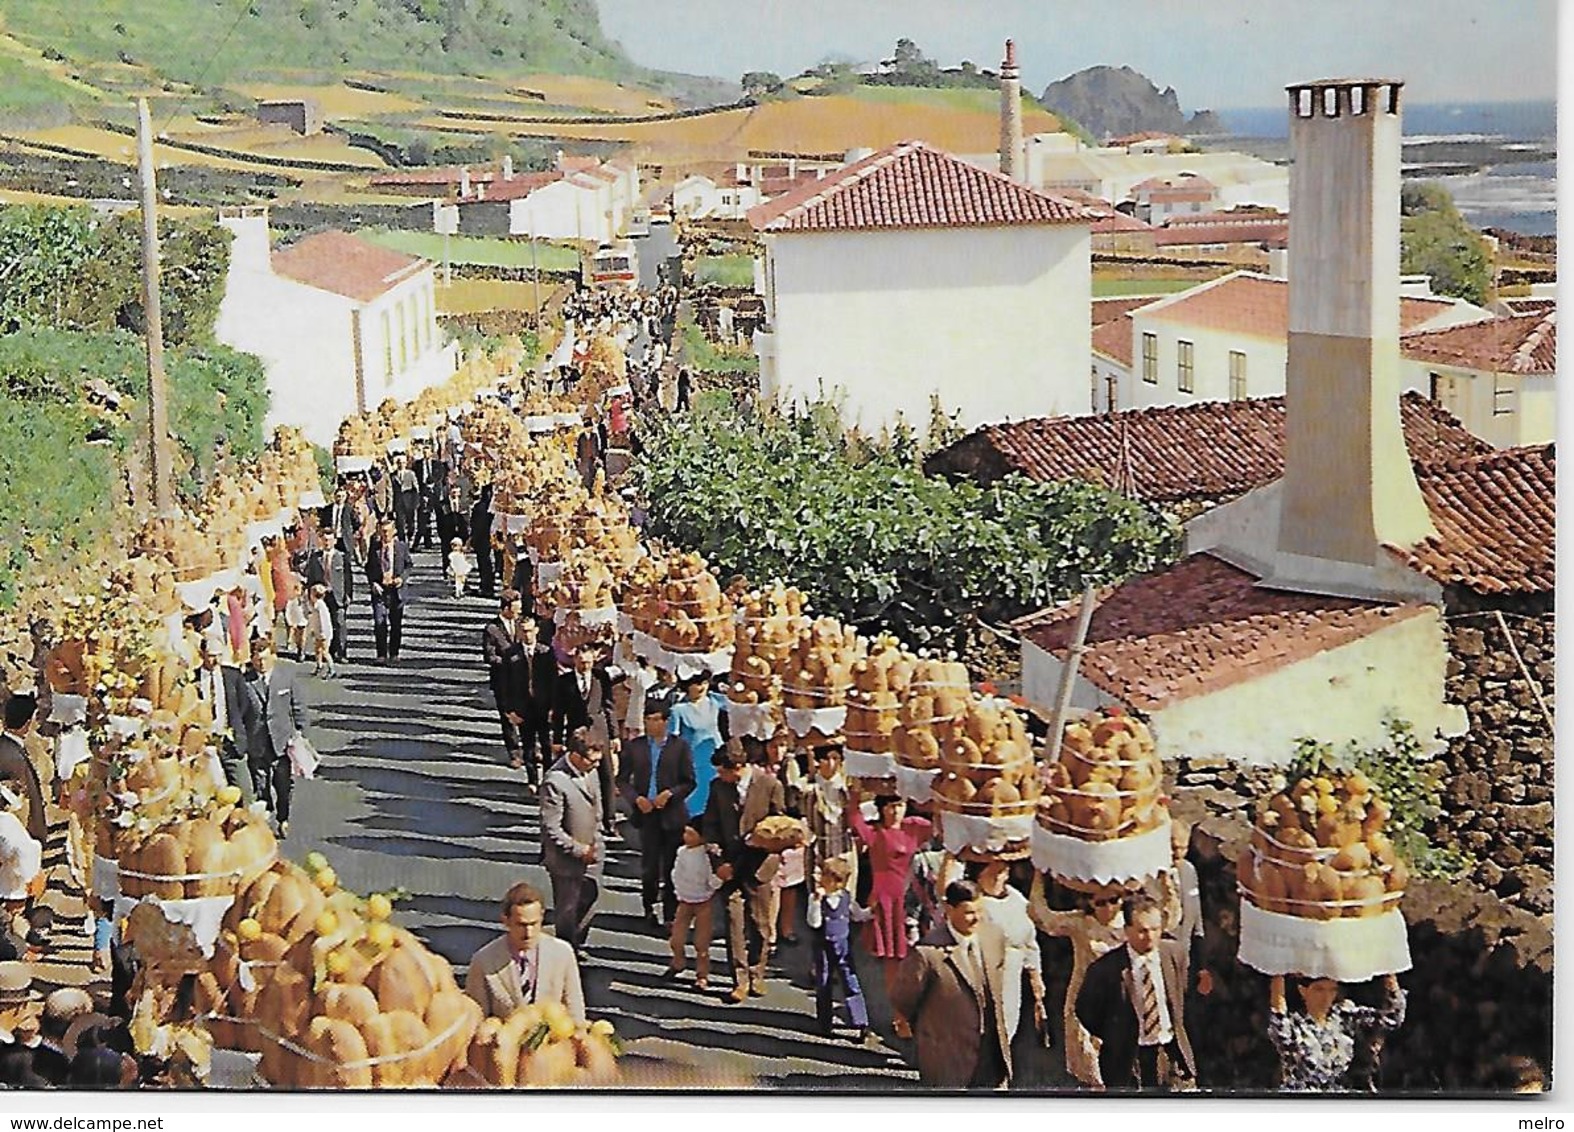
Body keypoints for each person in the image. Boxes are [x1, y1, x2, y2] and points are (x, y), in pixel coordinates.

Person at [891, 880, 1013, 1089]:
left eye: (980, 911)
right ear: (949, 909)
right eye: (969, 912)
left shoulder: (994, 937)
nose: (977, 919)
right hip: (948, 1055)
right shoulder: (927, 953)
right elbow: (904, 998)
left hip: (991, 1052)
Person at [1076, 892, 1197, 1091]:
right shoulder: (1106, 969)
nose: (1150, 936)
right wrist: (1115, 1034)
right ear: (1127, 930)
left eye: (1155, 929)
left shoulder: (1175, 955)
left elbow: (1186, 996)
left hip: (1170, 1052)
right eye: (1142, 930)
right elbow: (1086, 1010)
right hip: (1129, 1059)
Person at [1028, 875, 1136, 1088]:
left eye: (1113, 900)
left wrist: (1166, 876)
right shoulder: (1080, 923)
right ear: (1090, 902)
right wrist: (1039, 876)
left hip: (1123, 1000)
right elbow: (1043, 918)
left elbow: (1167, 918)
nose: (1108, 908)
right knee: (1089, 1066)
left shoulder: (1131, 925)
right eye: (1100, 902)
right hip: (1085, 998)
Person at [845, 786, 932, 1038]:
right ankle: (900, 1017)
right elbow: (854, 817)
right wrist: (855, 793)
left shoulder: (913, 827)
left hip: (912, 898)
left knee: (916, 959)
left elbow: (939, 821)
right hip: (885, 900)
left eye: (900, 805)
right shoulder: (875, 833)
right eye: (890, 806)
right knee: (893, 962)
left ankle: (917, 1011)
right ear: (882, 809)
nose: (896, 810)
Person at [701, 748, 772, 1004]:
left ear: (738, 768)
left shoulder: (769, 784)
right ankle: (739, 979)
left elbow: (784, 818)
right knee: (734, 922)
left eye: (722, 771)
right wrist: (717, 861)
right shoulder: (718, 788)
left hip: (759, 866)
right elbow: (710, 826)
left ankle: (757, 971)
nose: (719, 776)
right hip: (729, 866)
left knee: (760, 924)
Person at [616, 702, 694, 928]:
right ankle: (648, 906)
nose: (651, 724)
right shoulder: (635, 747)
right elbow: (622, 779)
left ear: (666, 722)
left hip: (672, 815)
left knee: (671, 866)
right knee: (650, 865)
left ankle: (671, 914)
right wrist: (636, 799)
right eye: (648, 719)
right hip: (646, 814)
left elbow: (689, 782)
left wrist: (669, 794)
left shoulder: (680, 748)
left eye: (656, 720)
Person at [465, 882, 585, 1023]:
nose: (528, 932)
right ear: (506, 921)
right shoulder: (484, 961)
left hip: (552, 1042)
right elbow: (477, 1019)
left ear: (542, 917)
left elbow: (575, 1010)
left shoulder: (562, 954)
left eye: (534, 924)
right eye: (521, 925)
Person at [1267, 972, 1406, 1093]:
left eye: (1332, 990)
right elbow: (1279, 1022)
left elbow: (1392, 1018)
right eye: (1319, 990)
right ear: (1303, 990)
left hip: (1338, 1098)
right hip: (1300, 1100)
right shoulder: (1295, 1024)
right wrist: (1278, 974)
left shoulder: (1344, 1016)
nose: (1326, 997)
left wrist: (1389, 974)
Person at [972, 860, 1047, 1058]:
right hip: (984, 974)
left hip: (1012, 975)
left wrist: (1035, 975)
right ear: (979, 875)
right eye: (992, 873)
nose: (998, 878)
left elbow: (1029, 939)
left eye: (1003, 872)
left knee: (1007, 1026)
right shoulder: (974, 903)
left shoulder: (1016, 898)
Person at [538, 731, 604, 954]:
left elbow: (596, 804)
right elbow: (551, 828)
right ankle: (565, 950)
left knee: (590, 897)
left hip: (593, 850)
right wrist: (578, 849)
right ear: (575, 755)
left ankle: (578, 941)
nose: (596, 766)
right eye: (591, 760)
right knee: (567, 907)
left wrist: (597, 840)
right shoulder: (555, 781)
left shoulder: (591, 771)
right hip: (566, 859)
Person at [242, 637, 308, 838]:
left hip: (282, 741)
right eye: (257, 659)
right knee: (260, 785)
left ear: (274, 657)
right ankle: (265, 818)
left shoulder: (286, 678)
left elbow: (298, 707)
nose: (261, 664)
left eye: (265, 659)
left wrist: (299, 734)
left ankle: (282, 818)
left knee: (283, 784)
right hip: (257, 742)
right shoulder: (245, 682)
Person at [549, 650, 618, 836]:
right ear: (575, 660)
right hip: (576, 734)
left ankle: (610, 821)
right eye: (581, 662)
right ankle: (571, 819)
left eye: (588, 662)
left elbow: (609, 707)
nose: (585, 665)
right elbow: (558, 713)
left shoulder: (601, 677)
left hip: (599, 731)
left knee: (607, 776)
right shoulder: (564, 681)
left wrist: (614, 735)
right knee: (572, 776)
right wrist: (556, 739)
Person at [807, 857, 871, 1042]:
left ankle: (860, 1021)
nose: (820, 879)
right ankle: (824, 1022)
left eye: (825, 876)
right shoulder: (818, 898)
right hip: (823, 946)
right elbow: (814, 922)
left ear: (838, 882)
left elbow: (858, 915)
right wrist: (817, 903)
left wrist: (870, 913)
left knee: (850, 980)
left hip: (843, 945)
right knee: (824, 981)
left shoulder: (847, 898)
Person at [195, 637, 259, 806]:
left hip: (230, 742)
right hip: (204, 744)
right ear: (201, 654)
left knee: (245, 792)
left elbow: (244, 705)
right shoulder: (193, 678)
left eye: (218, 655)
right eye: (210, 656)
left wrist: (239, 733)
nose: (215, 660)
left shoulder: (233, 676)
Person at [663, 821, 719, 987]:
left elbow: (712, 881)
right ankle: (678, 962)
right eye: (685, 833)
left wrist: (719, 881)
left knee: (701, 943)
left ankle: (702, 974)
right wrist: (678, 892)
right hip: (684, 901)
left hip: (703, 902)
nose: (685, 837)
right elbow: (676, 874)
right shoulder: (682, 852)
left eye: (691, 834)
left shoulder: (708, 857)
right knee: (676, 939)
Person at [483, 593, 529, 772]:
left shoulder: (522, 624)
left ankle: (529, 749)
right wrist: (510, 662)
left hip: (523, 678)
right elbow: (490, 656)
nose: (518, 613)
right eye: (515, 609)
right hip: (502, 679)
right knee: (507, 716)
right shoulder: (492, 629)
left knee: (526, 713)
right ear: (505, 608)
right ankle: (514, 752)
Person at [668, 675, 724, 819]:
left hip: (715, 758)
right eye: (696, 684)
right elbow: (672, 739)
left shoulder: (714, 701)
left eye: (704, 683)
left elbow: (737, 703)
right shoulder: (678, 709)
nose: (701, 687)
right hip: (694, 761)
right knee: (695, 799)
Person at [0, 694, 46, 845]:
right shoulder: (13, 759)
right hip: (22, 838)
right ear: (27, 724)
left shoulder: (7, 747)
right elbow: (16, 807)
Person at [365, 518, 413, 662]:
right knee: (379, 622)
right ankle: (381, 654)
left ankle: (394, 653)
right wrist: (373, 583)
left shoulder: (401, 547)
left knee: (395, 623)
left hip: (396, 590)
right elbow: (369, 567)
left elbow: (408, 565)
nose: (385, 534)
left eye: (388, 531)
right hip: (380, 590)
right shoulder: (375, 547)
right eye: (383, 531)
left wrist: (402, 578)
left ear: (394, 532)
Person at [307, 584, 334, 679]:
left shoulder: (320, 606)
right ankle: (319, 666)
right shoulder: (315, 605)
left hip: (324, 633)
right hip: (318, 632)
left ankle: (331, 668)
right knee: (317, 650)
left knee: (325, 652)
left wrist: (322, 633)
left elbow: (323, 620)